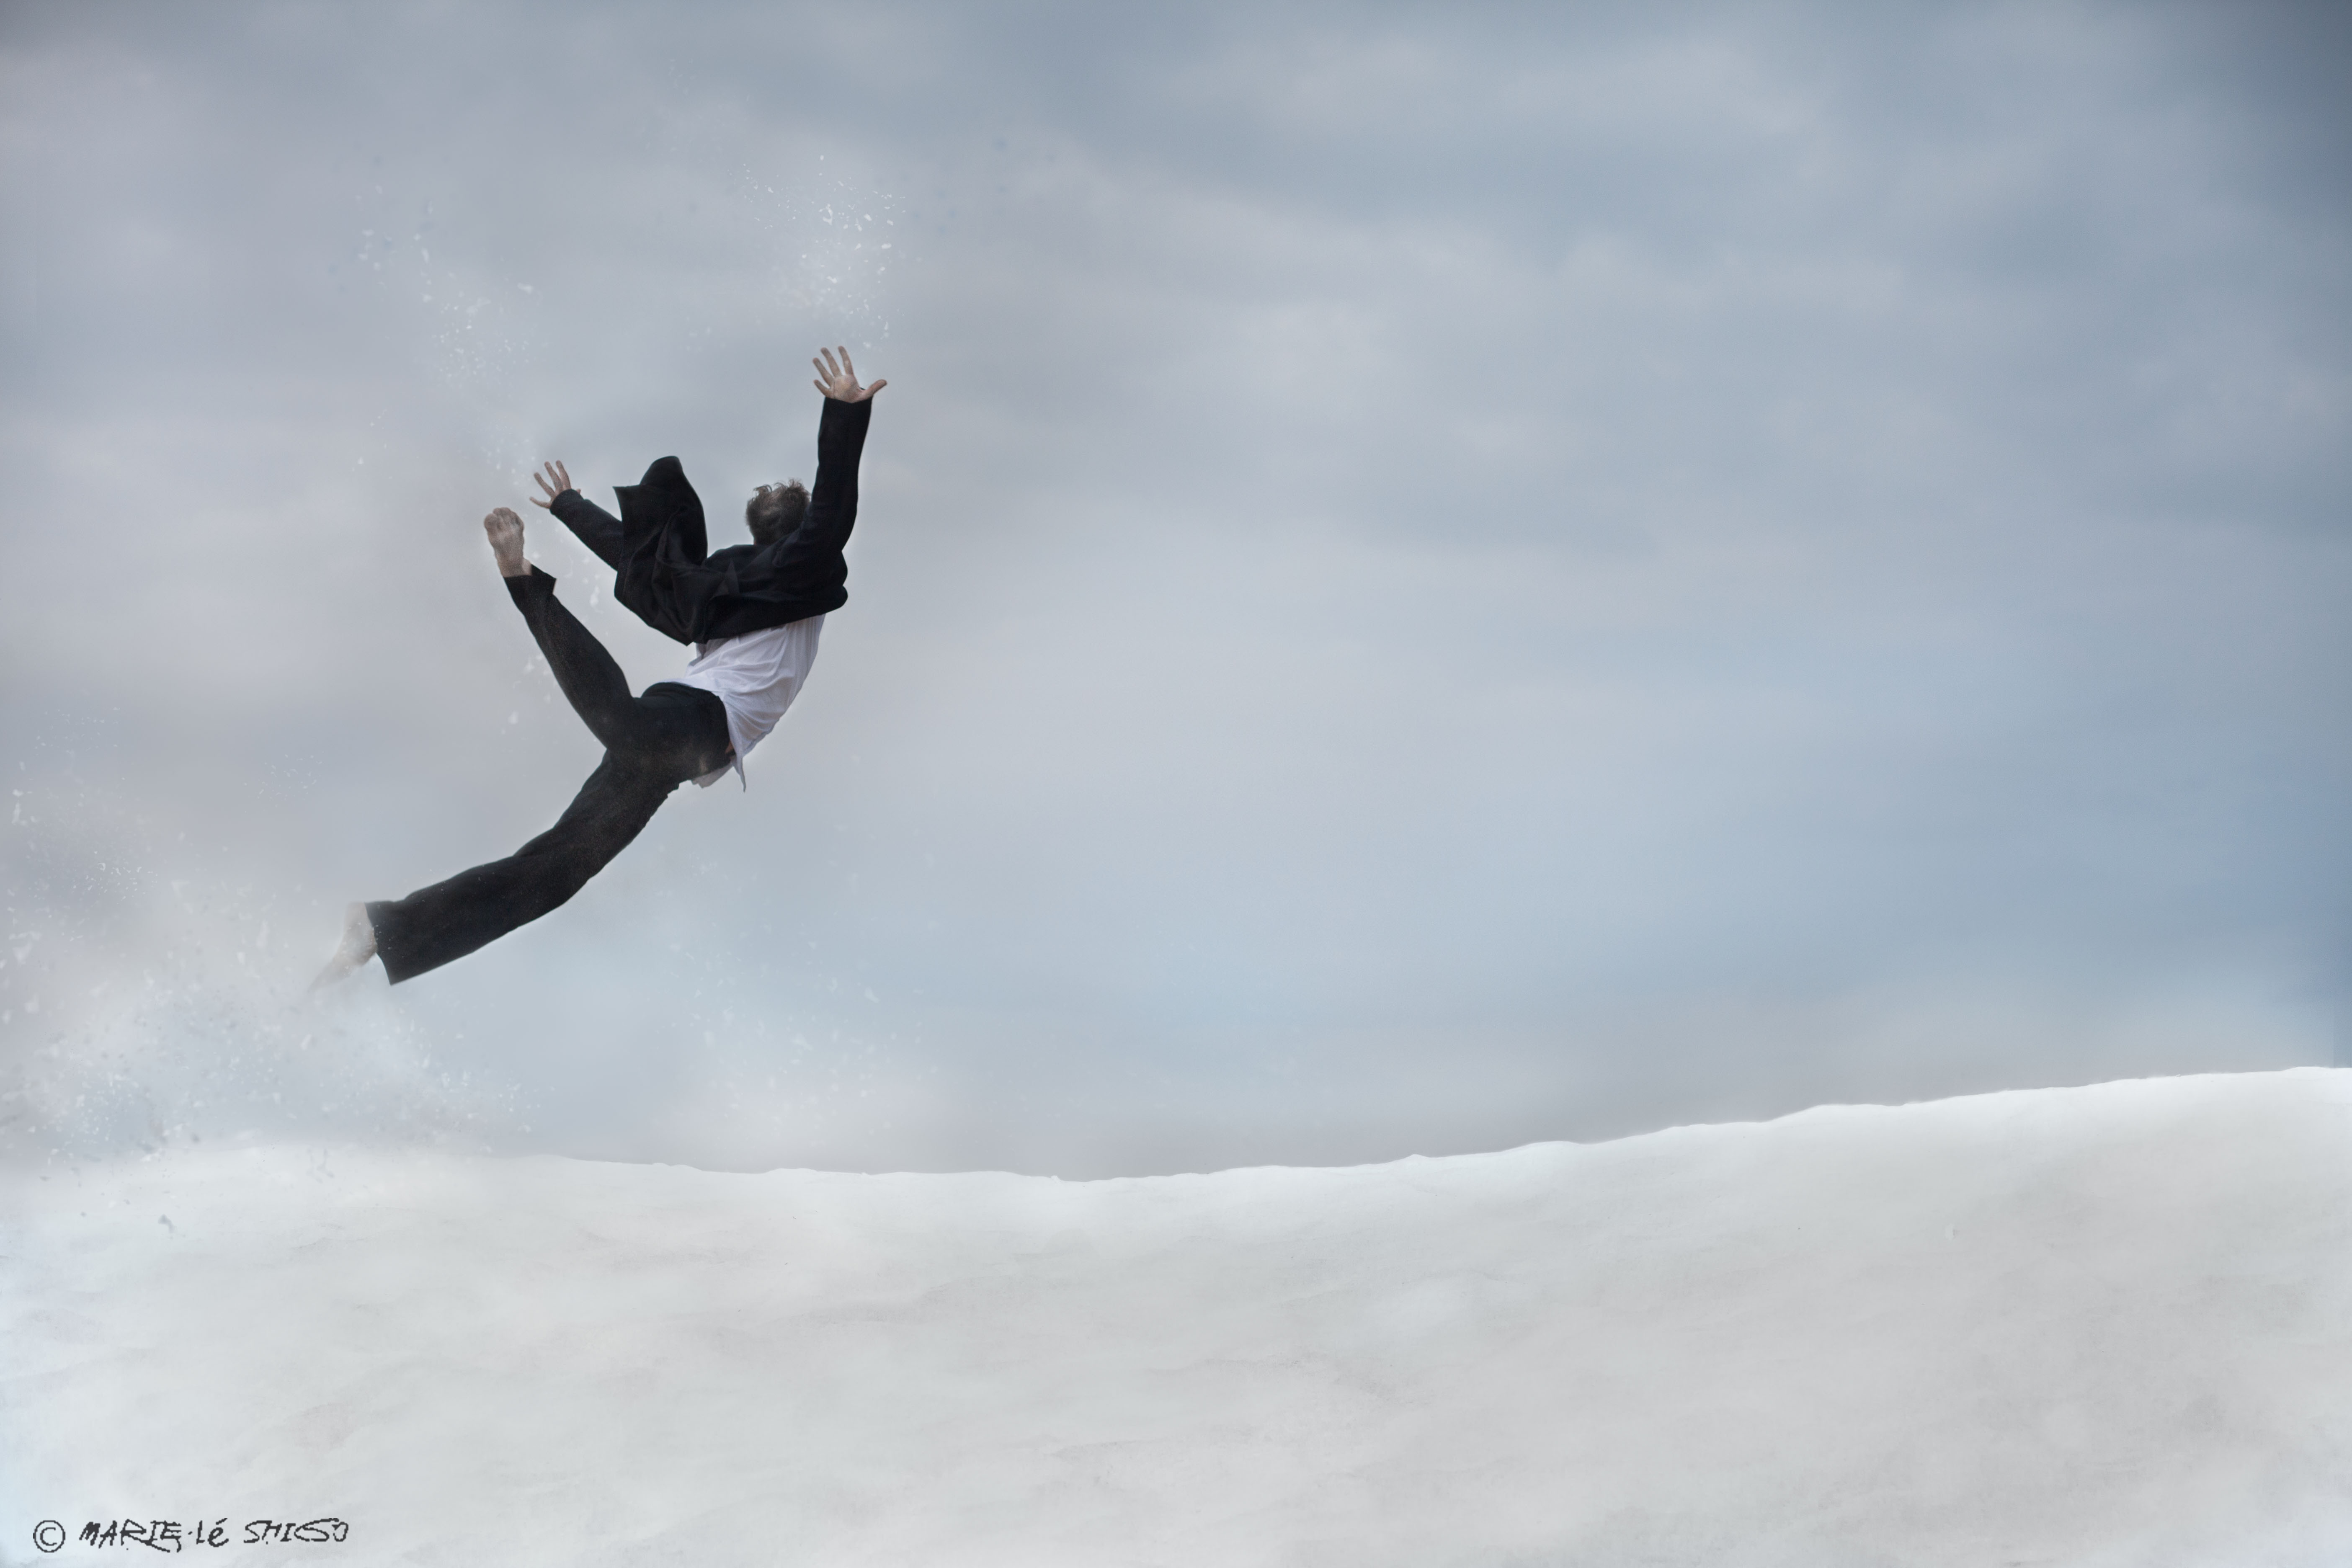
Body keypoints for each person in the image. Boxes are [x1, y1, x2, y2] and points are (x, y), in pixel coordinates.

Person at [314, 346, 885, 987]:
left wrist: (570, 507)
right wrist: (844, 416)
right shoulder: (778, 574)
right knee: (622, 723)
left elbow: (643, 565)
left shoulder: (755, 579)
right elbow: (828, 517)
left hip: (675, 754)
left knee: (556, 872)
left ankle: (381, 928)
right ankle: (525, 585)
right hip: (689, 724)